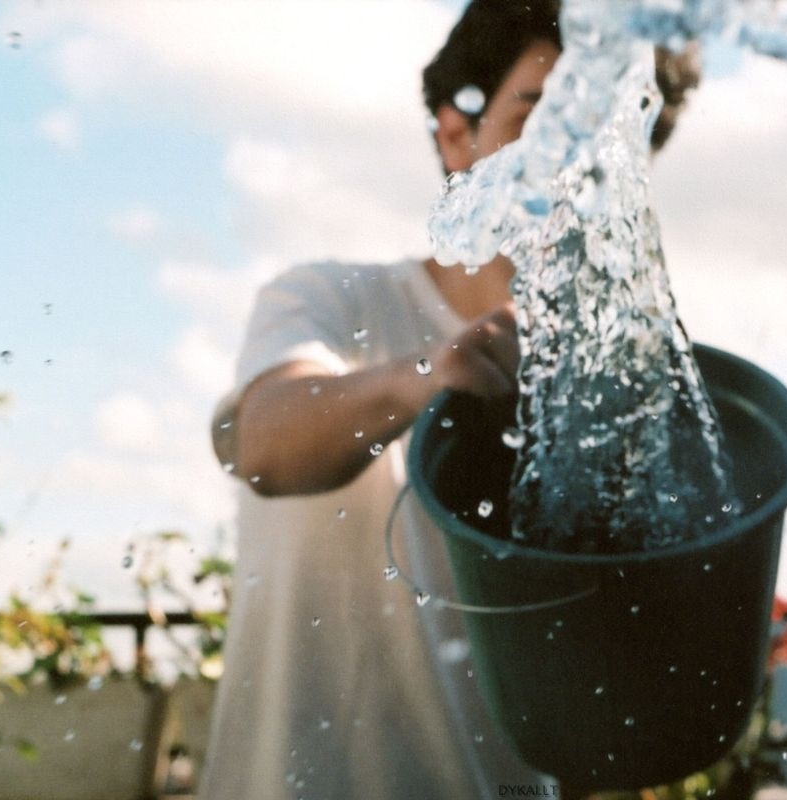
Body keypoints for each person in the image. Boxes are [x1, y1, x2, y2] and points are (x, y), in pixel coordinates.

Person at [200, 2, 700, 797]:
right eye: (540, 116)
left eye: (612, 130)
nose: (575, 158)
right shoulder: (333, 304)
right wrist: (430, 373)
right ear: (455, 137)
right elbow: (264, 442)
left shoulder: (614, 386)